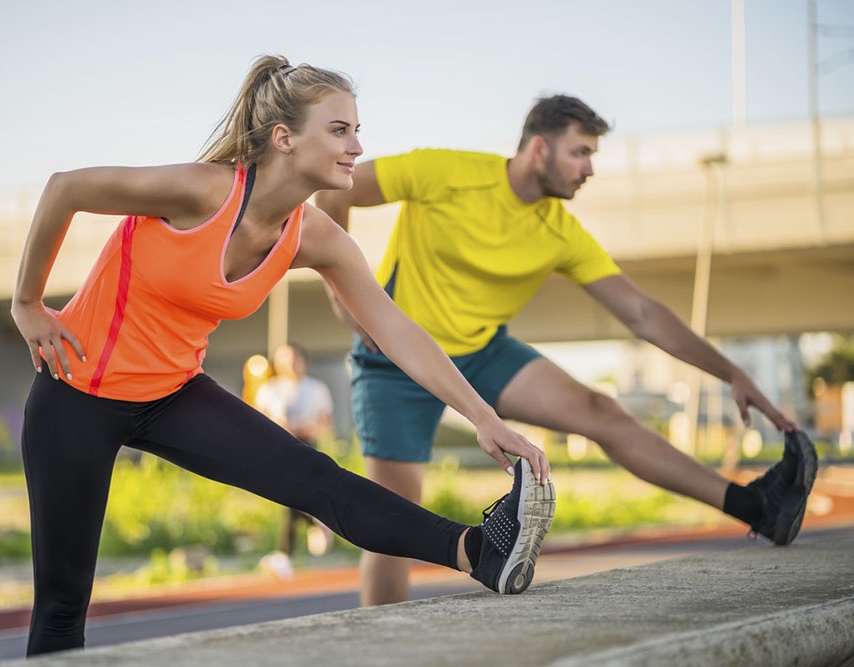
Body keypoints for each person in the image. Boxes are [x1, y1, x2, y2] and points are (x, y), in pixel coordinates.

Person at [11, 55, 555, 657]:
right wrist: (29, 302)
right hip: (76, 392)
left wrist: (483, 417)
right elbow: (67, 188)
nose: (356, 146)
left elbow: (396, 329)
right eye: (340, 130)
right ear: (284, 138)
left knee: (313, 477)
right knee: (63, 607)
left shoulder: (313, 234)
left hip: (170, 394)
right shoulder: (202, 191)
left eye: (356, 130)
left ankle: (481, 552)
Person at [314, 94, 818, 607]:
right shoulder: (444, 170)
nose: (590, 168)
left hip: (483, 351)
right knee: (397, 520)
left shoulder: (560, 231)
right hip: (396, 359)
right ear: (539, 149)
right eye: (580, 152)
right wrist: (344, 293)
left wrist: (731, 372)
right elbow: (338, 189)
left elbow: (641, 314)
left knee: (602, 411)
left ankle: (755, 506)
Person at [255, 343, 336, 563]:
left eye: (294, 359)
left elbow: (324, 421)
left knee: (293, 496)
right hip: (278, 445)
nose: (290, 364)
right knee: (289, 495)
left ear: (304, 361)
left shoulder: (316, 388)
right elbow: (258, 419)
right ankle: (315, 524)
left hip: (307, 445)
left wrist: (310, 428)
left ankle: (284, 554)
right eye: (284, 359)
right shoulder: (269, 389)